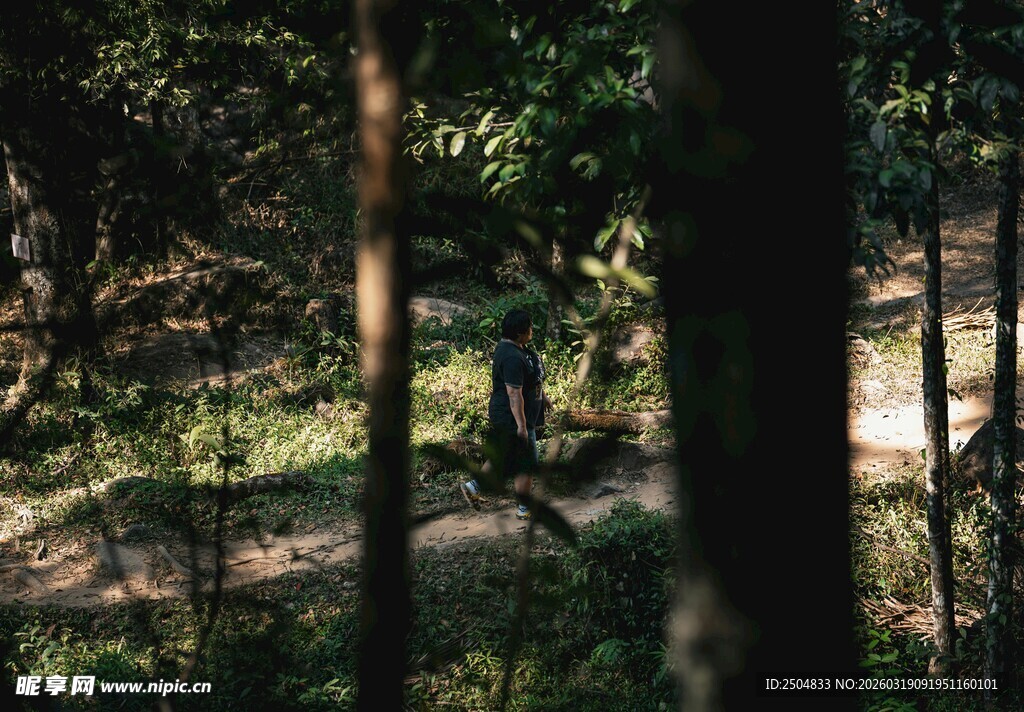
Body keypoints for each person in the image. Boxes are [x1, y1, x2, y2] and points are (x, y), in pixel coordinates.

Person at [461, 309, 551, 520]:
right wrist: (520, 425)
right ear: (519, 332)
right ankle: (524, 508)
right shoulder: (510, 356)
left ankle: (474, 486)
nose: (532, 330)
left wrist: (543, 396)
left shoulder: (519, 349)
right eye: (529, 327)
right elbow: (513, 393)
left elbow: (530, 378)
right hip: (512, 416)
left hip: (521, 414)